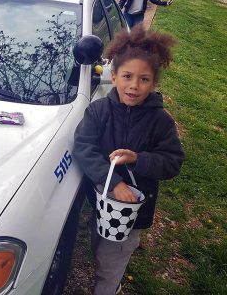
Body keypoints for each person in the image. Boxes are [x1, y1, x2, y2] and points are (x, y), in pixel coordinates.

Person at [73, 25, 185, 295]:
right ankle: (109, 273)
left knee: (112, 259)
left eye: (144, 79)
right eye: (127, 76)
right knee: (100, 245)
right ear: (114, 76)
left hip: (132, 211)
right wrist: (112, 183)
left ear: (154, 83)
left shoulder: (160, 121)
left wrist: (138, 159)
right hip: (103, 200)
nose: (134, 86)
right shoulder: (98, 111)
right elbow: (84, 147)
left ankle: (108, 286)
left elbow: (172, 161)